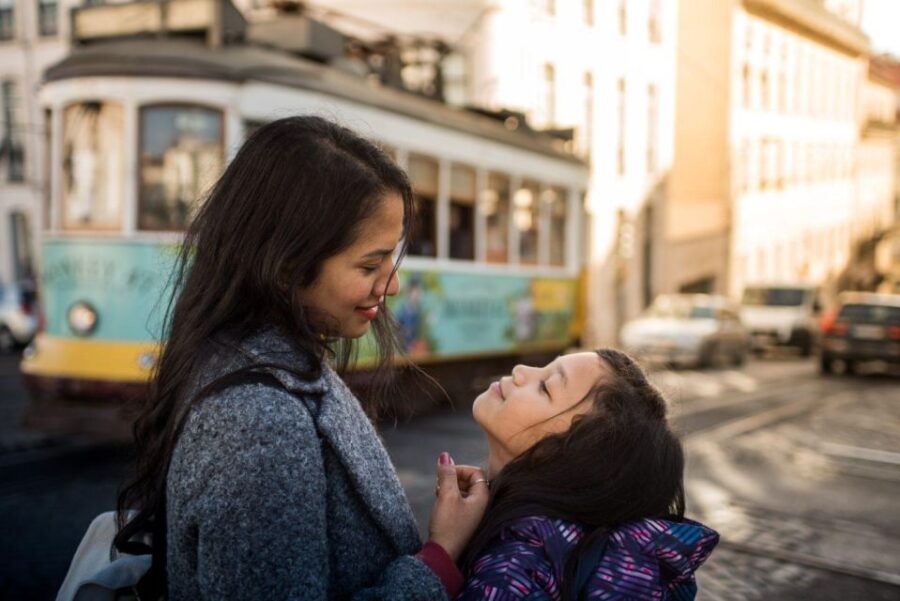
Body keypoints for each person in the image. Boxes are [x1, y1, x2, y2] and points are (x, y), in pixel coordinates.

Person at [114, 116, 489, 600]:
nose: (391, 284)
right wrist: (439, 557)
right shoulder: (259, 417)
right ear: (287, 266)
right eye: (370, 264)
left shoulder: (256, 365)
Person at [456, 349, 719, 601]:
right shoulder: (562, 547)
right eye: (543, 368)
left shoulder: (511, 574)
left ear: (578, 456)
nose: (520, 370)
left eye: (545, 387)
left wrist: (439, 555)